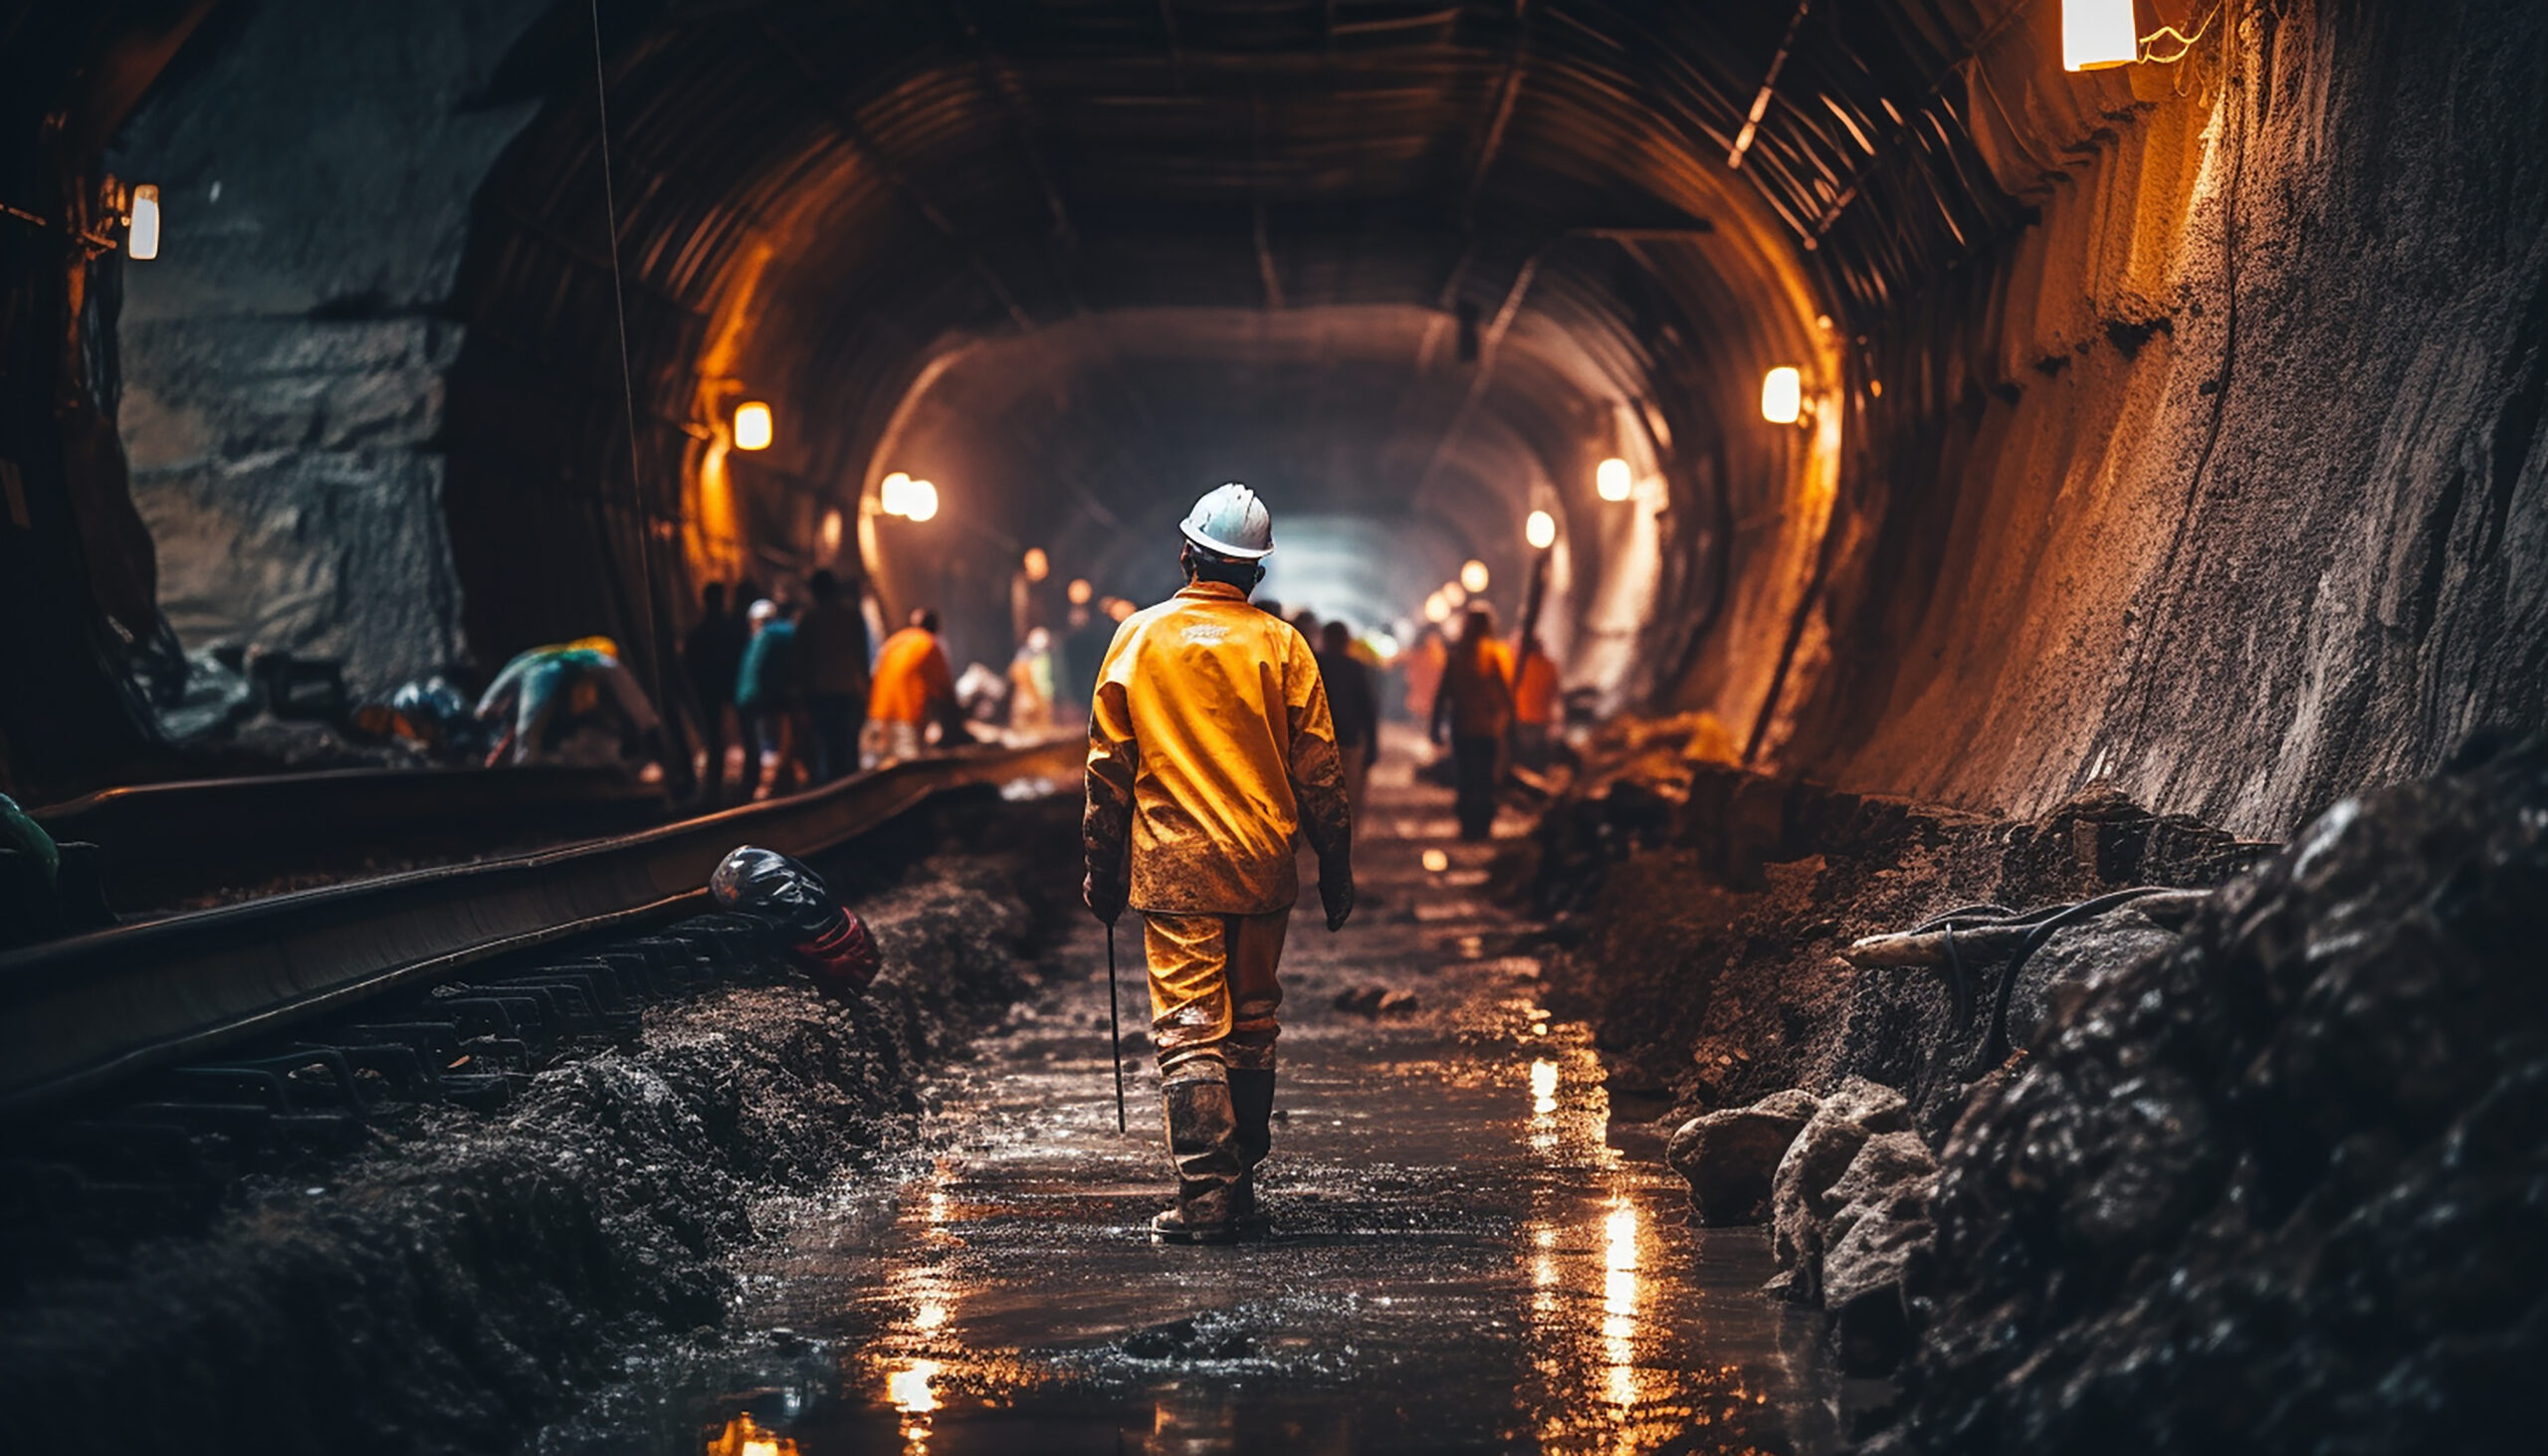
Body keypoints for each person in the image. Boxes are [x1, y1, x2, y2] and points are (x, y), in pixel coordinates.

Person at [1084, 483, 1354, 1245]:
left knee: (1191, 1028)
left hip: (1174, 868)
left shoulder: (1137, 638)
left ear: (1186, 554)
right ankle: (1244, 1181)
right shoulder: (1282, 647)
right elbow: (1321, 771)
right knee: (1253, 1023)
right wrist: (1336, 865)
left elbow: (1107, 772)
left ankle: (1209, 1193)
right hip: (1263, 865)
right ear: (1257, 575)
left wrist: (1102, 872)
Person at [476, 637, 669, 775]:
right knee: (530, 741)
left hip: (553, 672)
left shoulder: (532, 673)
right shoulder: (525, 669)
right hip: (572, 672)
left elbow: (499, 719)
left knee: (528, 743)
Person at [1430, 603, 1514, 840]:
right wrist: (1511, 723)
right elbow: (1505, 691)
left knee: (1466, 776)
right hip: (1488, 727)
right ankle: (1483, 824)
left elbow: (1443, 694)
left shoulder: (1457, 655)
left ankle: (1468, 824)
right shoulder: (1497, 654)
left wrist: (1435, 726)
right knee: (1486, 777)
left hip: (1462, 726)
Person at [796, 568, 871, 784]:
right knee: (848, 748)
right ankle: (853, 797)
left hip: (821, 693)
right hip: (848, 691)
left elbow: (801, 661)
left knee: (829, 749)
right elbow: (861, 655)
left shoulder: (809, 619)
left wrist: (802, 697)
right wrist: (864, 689)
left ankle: (834, 795)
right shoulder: (851, 615)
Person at [684, 583, 749, 801]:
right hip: (731, 688)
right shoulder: (730, 628)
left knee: (715, 740)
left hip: (711, 690)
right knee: (738, 738)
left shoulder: (701, 631)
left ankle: (715, 788)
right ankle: (737, 786)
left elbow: (689, 662)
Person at [735, 599, 805, 798]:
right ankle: (783, 783)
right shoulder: (786, 632)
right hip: (780, 695)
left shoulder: (764, 636)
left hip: (759, 699)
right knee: (784, 743)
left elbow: (755, 671)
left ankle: (765, 786)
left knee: (765, 745)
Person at [869, 608, 956, 764]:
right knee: (908, 767)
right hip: (905, 716)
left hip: (878, 715)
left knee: (883, 766)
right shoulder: (929, 643)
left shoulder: (894, 641)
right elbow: (945, 689)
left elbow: (875, 672)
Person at [1316, 619, 1380, 826]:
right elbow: (1367, 709)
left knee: (1319, 789)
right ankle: (1346, 828)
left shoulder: (1314, 664)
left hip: (1317, 739)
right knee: (1349, 790)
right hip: (1348, 738)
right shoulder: (1355, 668)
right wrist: (1372, 746)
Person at [1509, 633, 1560, 771]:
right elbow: (1554, 693)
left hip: (1519, 718)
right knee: (1534, 762)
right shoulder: (1550, 666)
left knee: (1516, 760)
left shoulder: (1516, 664)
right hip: (1540, 721)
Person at [1008, 626, 1057, 736]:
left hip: (1042, 700)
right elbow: (1018, 676)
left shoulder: (1044, 658)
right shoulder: (1023, 661)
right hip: (1029, 702)